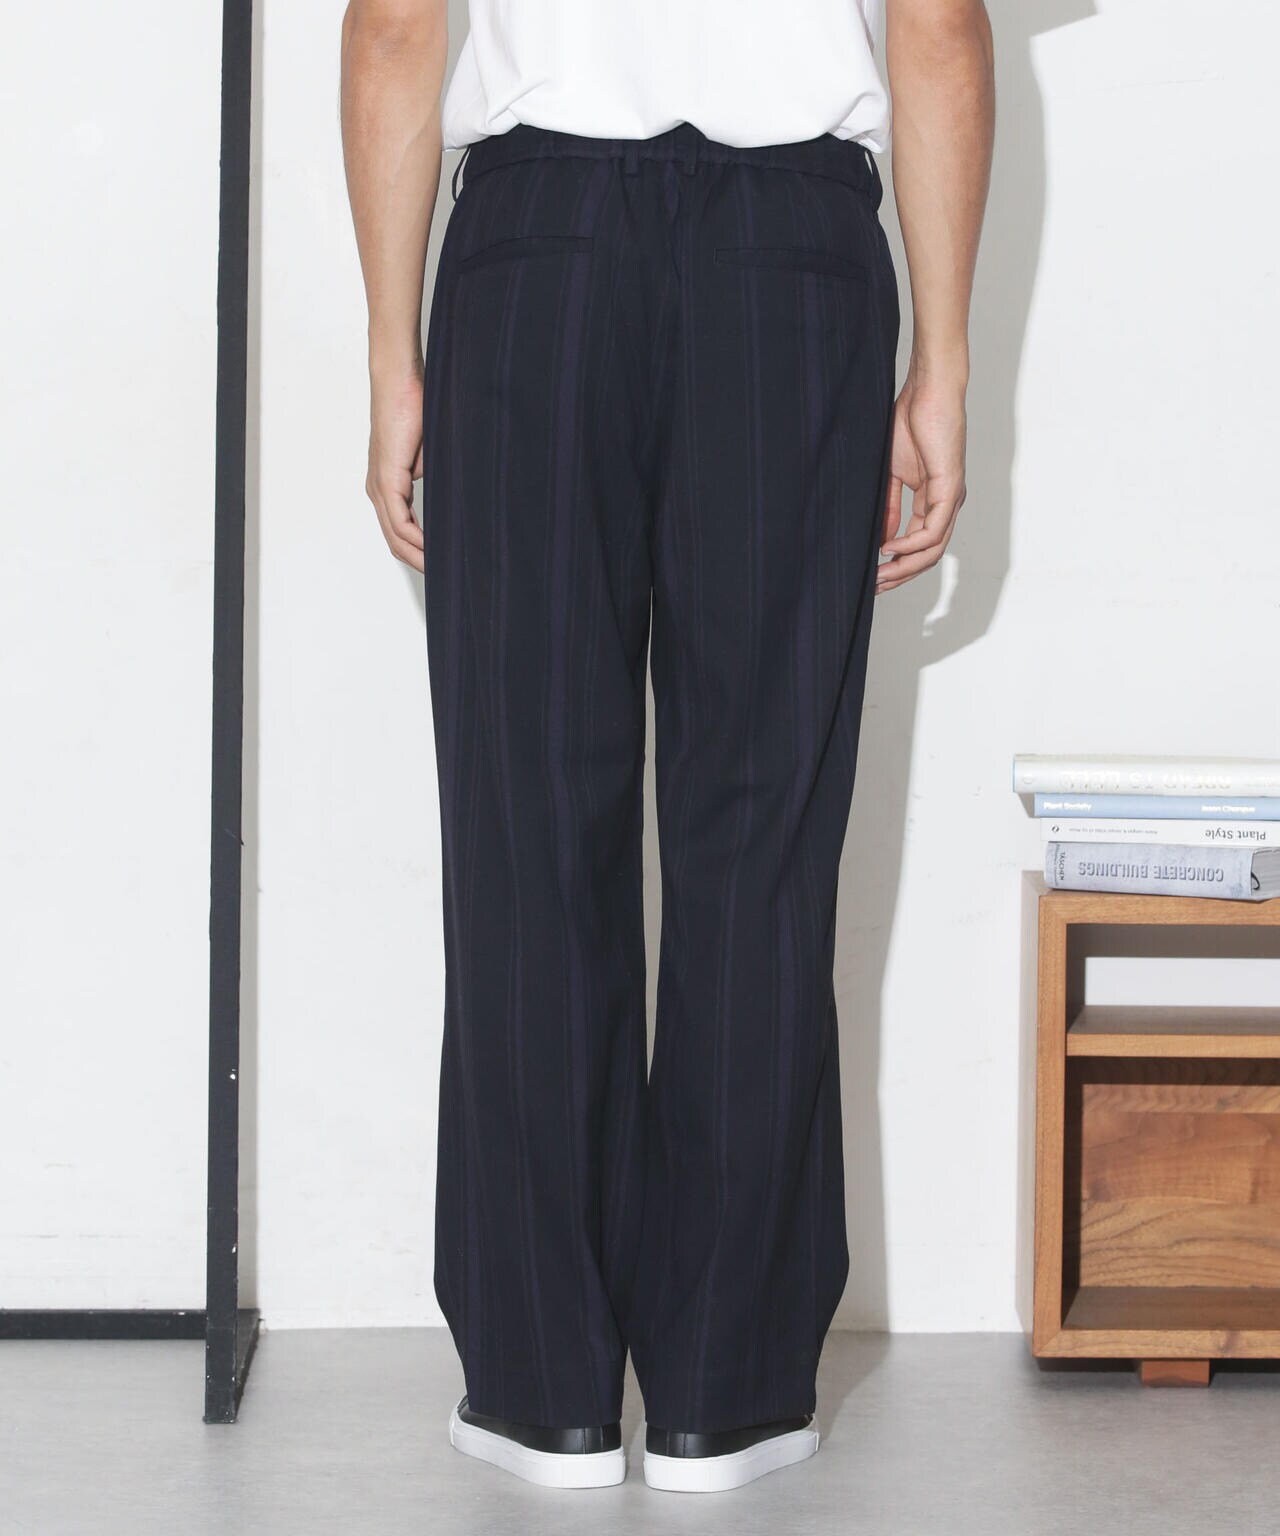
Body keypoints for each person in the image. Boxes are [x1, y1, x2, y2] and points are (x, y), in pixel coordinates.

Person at [340, 0, 994, 1495]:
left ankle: (542, 1394)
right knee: (760, 831)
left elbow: (394, 29)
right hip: (791, 263)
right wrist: (945, 361)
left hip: (538, 255)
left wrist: (392, 354)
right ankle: (726, 1395)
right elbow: (941, 29)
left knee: (523, 816)